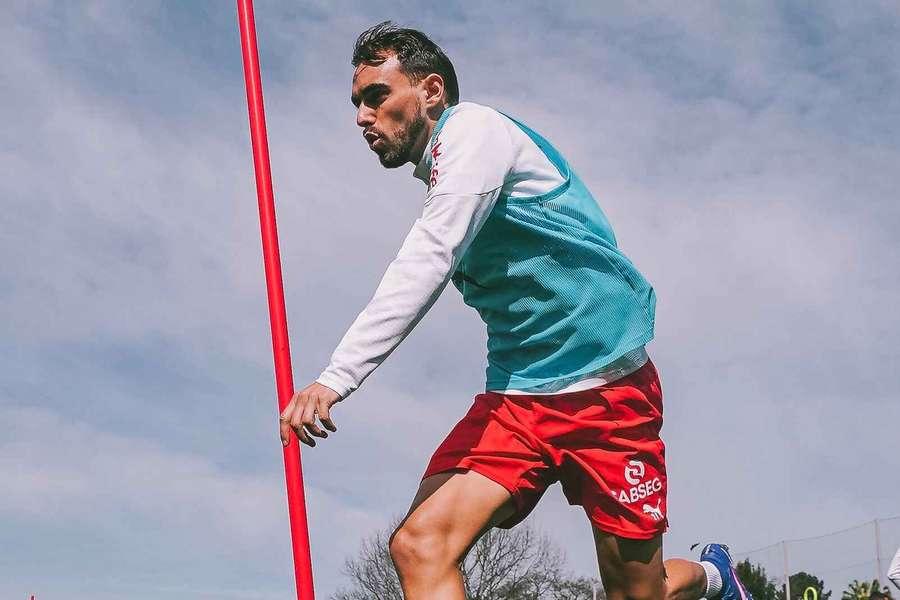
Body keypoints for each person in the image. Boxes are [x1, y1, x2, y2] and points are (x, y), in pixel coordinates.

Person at [278, 21, 754, 600]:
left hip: (610, 395)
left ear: (431, 91)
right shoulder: (441, 182)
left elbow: (429, 255)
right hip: (519, 402)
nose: (361, 117)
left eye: (377, 96)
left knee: (638, 591)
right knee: (419, 545)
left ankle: (712, 576)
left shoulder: (476, 133)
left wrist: (335, 378)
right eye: (356, 103)